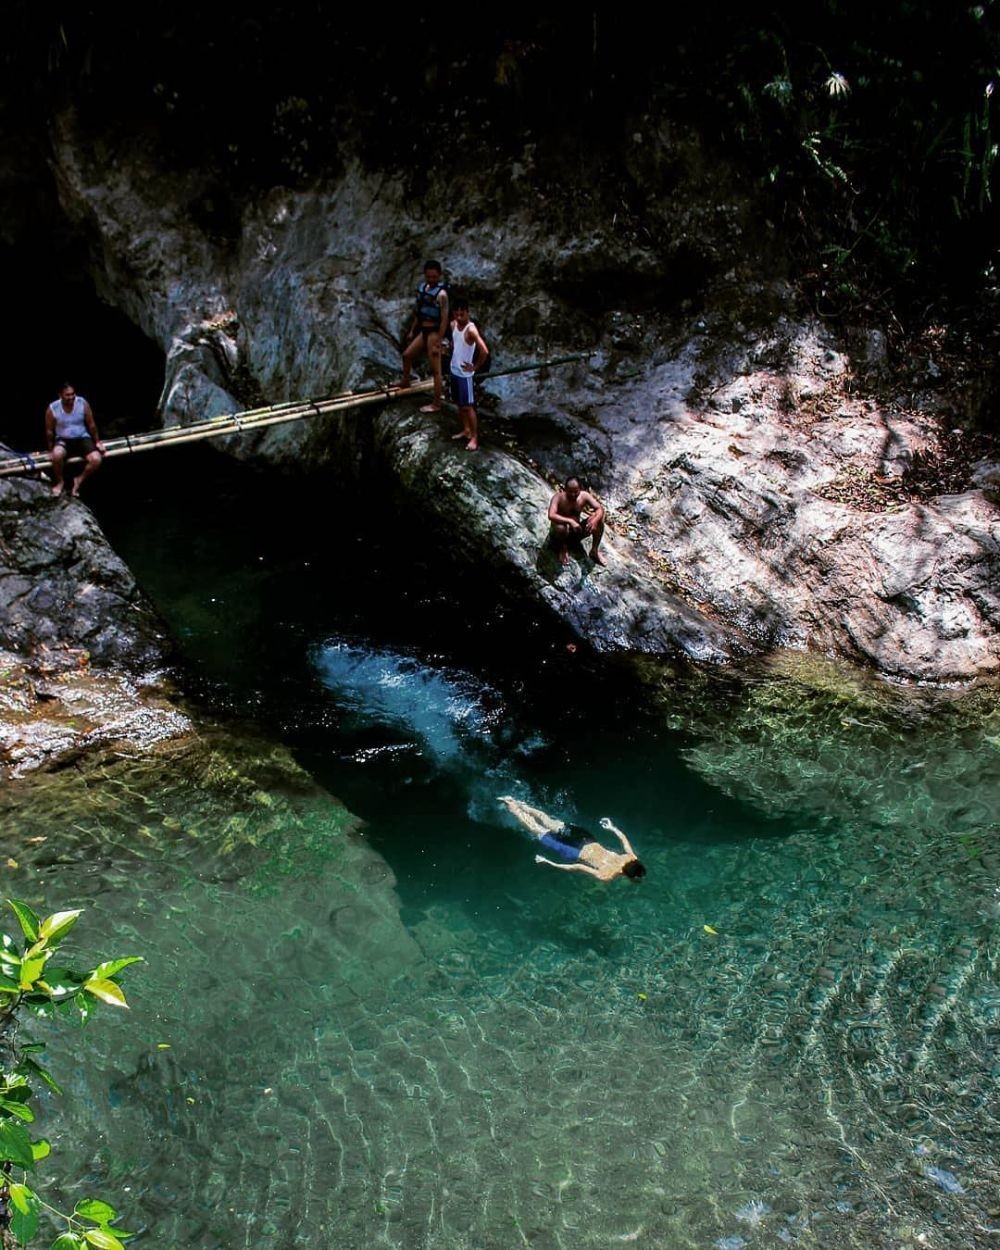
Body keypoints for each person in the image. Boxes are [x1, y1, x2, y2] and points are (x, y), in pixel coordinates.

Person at [498, 796, 646, 882]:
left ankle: (517, 803)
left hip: (586, 839)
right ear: (628, 876)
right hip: (573, 851)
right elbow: (576, 867)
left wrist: (612, 827)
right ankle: (512, 807)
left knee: (547, 820)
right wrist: (548, 862)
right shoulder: (607, 875)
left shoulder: (630, 857)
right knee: (535, 829)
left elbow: (623, 838)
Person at [400, 260, 449, 414]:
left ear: (439, 276)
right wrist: (412, 331)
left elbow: (444, 320)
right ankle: (405, 381)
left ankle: (436, 403)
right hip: (423, 330)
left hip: (434, 332)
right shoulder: (422, 289)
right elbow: (419, 313)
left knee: (436, 370)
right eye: (429, 277)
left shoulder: (442, 295)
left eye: (434, 277)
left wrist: (439, 341)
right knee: (407, 355)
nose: (431, 280)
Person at [45, 383, 106, 497]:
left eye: (73, 394)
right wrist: (50, 449)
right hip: (63, 438)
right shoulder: (52, 408)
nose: (71, 397)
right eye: (67, 395)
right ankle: (60, 481)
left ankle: (78, 480)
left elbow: (91, 424)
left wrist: (97, 441)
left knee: (96, 459)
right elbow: (49, 431)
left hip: (82, 437)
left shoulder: (82, 403)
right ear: (60, 395)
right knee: (57, 455)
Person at [447, 300, 488, 451]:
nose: (459, 317)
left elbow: (484, 351)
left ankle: (475, 437)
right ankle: (466, 429)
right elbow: (455, 343)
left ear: (467, 313)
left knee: (468, 406)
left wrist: (475, 366)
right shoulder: (453, 325)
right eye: (456, 314)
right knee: (459, 403)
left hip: (465, 374)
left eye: (462, 314)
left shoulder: (471, 330)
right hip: (454, 369)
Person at [547, 476, 607, 567]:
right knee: (560, 527)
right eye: (570, 492)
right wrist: (570, 521)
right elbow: (551, 515)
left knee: (598, 520)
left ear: (580, 489)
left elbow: (600, 509)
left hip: (576, 531)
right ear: (565, 489)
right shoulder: (558, 498)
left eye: (576, 491)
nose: (573, 494)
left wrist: (594, 521)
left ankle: (594, 551)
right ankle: (563, 549)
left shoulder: (584, 496)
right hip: (560, 535)